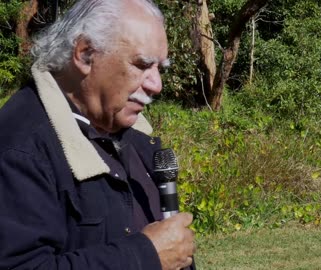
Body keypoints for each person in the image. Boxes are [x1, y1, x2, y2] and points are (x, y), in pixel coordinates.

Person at [0, 1, 196, 269]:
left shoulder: (134, 136)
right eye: (141, 65)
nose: (156, 85)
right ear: (85, 54)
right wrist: (145, 255)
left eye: (159, 68)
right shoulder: (20, 148)